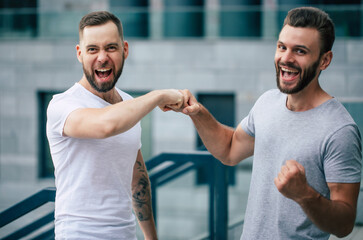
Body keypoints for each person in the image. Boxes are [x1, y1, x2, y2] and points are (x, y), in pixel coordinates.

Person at [178, 7, 362, 240]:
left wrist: (305, 195)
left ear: (324, 60)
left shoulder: (339, 130)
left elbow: (345, 224)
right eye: (282, 47)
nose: (286, 58)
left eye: (300, 51)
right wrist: (198, 113)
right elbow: (230, 150)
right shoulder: (268, 101)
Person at [46, 11, 183, 240]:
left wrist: (151, 237)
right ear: (79, 54)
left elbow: (137, 177)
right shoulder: (62, 105)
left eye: (110, 47)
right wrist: (159, 96)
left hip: (125, 234)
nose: (102, 57)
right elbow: (105, 126)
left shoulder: (129, 105)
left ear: (124, 50)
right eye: (92, 49)